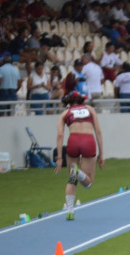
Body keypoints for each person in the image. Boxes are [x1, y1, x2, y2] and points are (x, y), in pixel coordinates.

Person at [54, 91, 105, 221]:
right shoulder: (90, 109)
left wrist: (59, 157)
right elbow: (98, 131)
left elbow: (60, 135)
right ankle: (78, 172)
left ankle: (70, 211)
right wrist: (101, 154)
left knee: (72, 179)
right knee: (88, 183)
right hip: (88, 141)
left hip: (73, 141)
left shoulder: (65, 114)